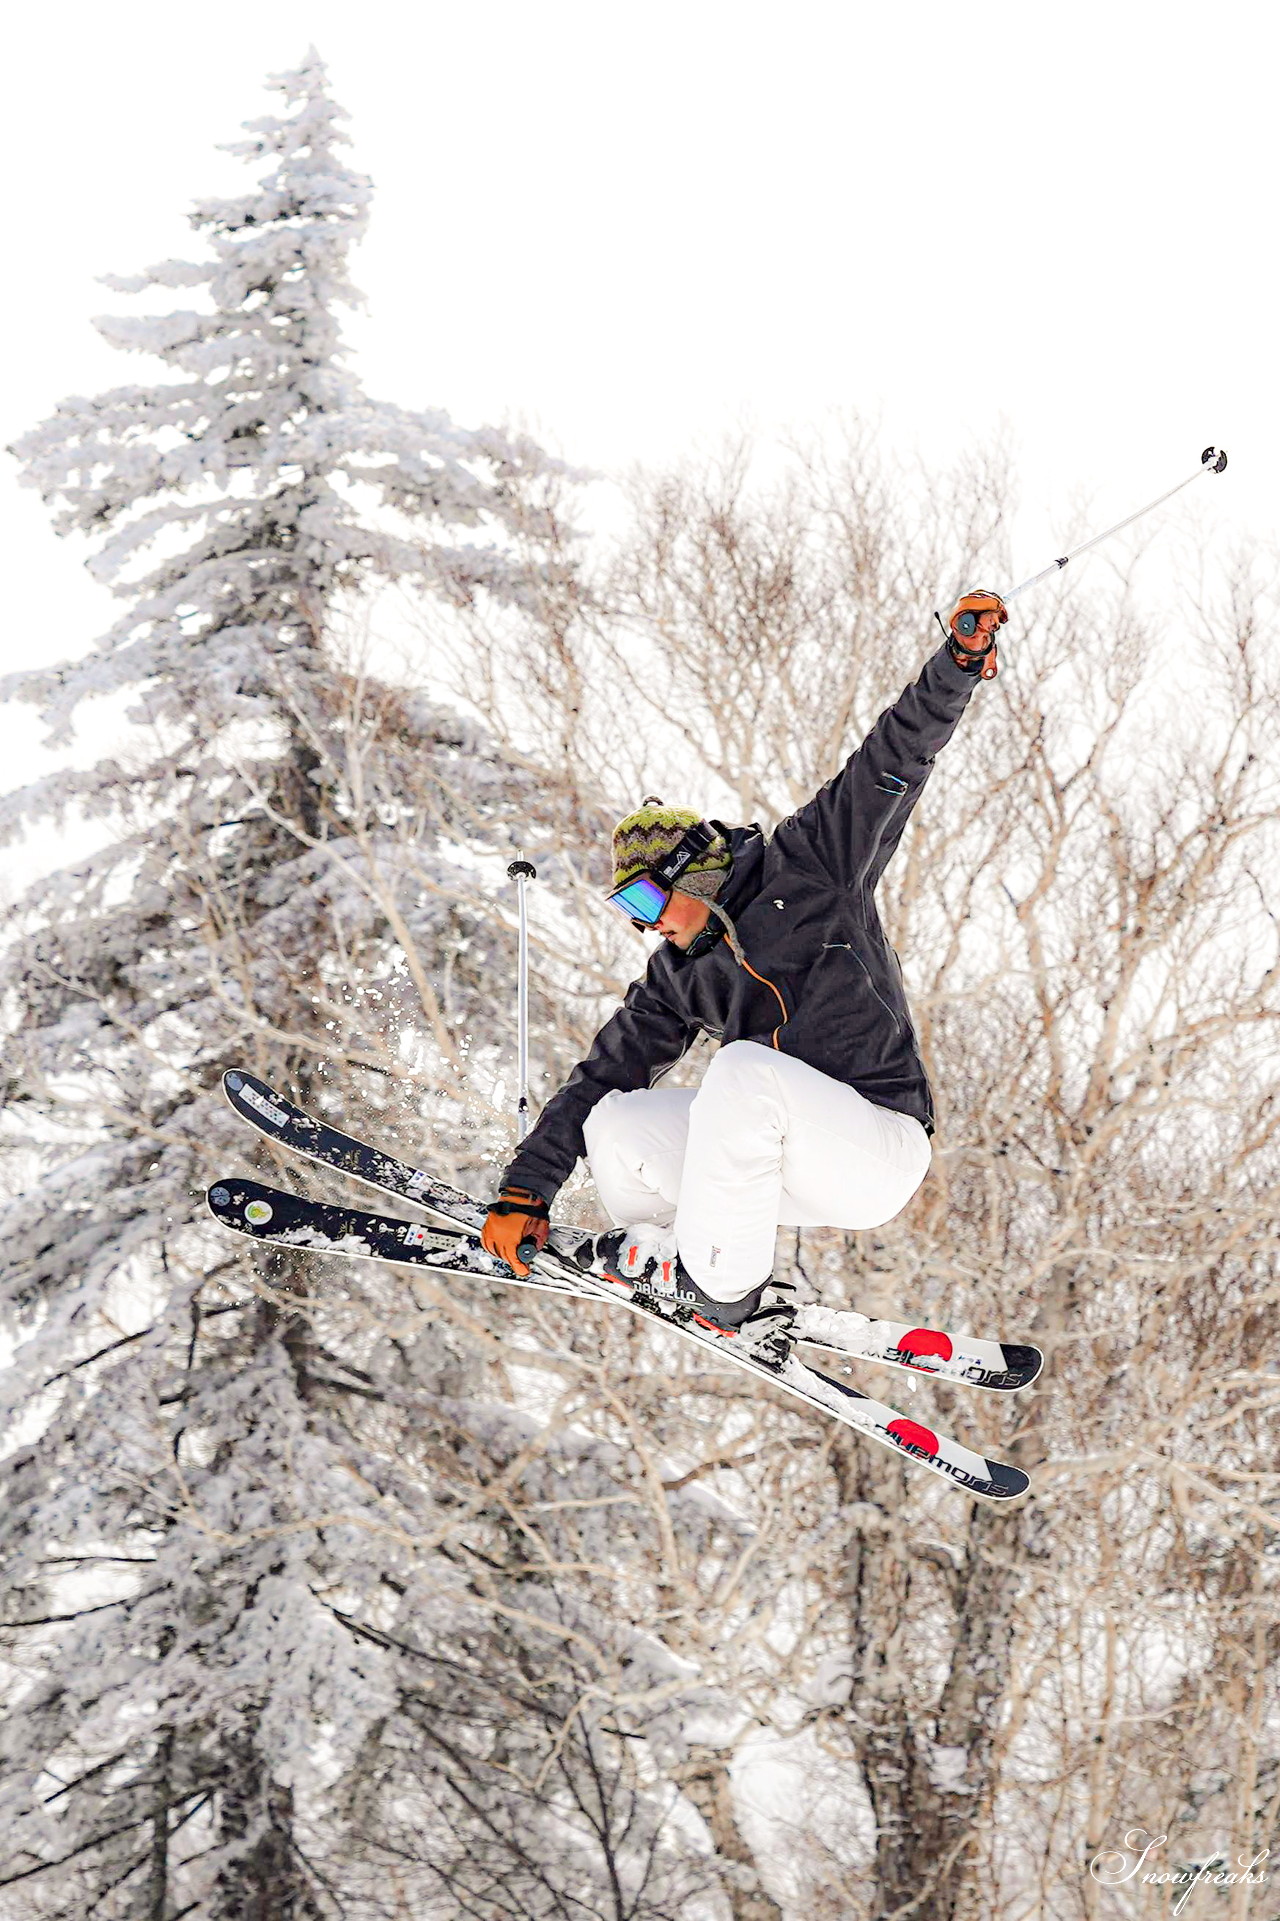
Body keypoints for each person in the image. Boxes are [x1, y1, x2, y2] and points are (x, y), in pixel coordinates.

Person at [481, 591, 1007, 1358]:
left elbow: (894, 756)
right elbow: (597, 1076)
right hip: (781, 1156)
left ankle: (722, 1285)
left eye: (644, 896)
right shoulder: (677, 975)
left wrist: (957, 663)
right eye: (625, 904)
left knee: (741, 1068)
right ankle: (672, 1257)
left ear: (690, 872)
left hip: (877, 1144)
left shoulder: (813, 862)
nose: (642, 921)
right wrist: (525, 1189)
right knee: (614, 1121)